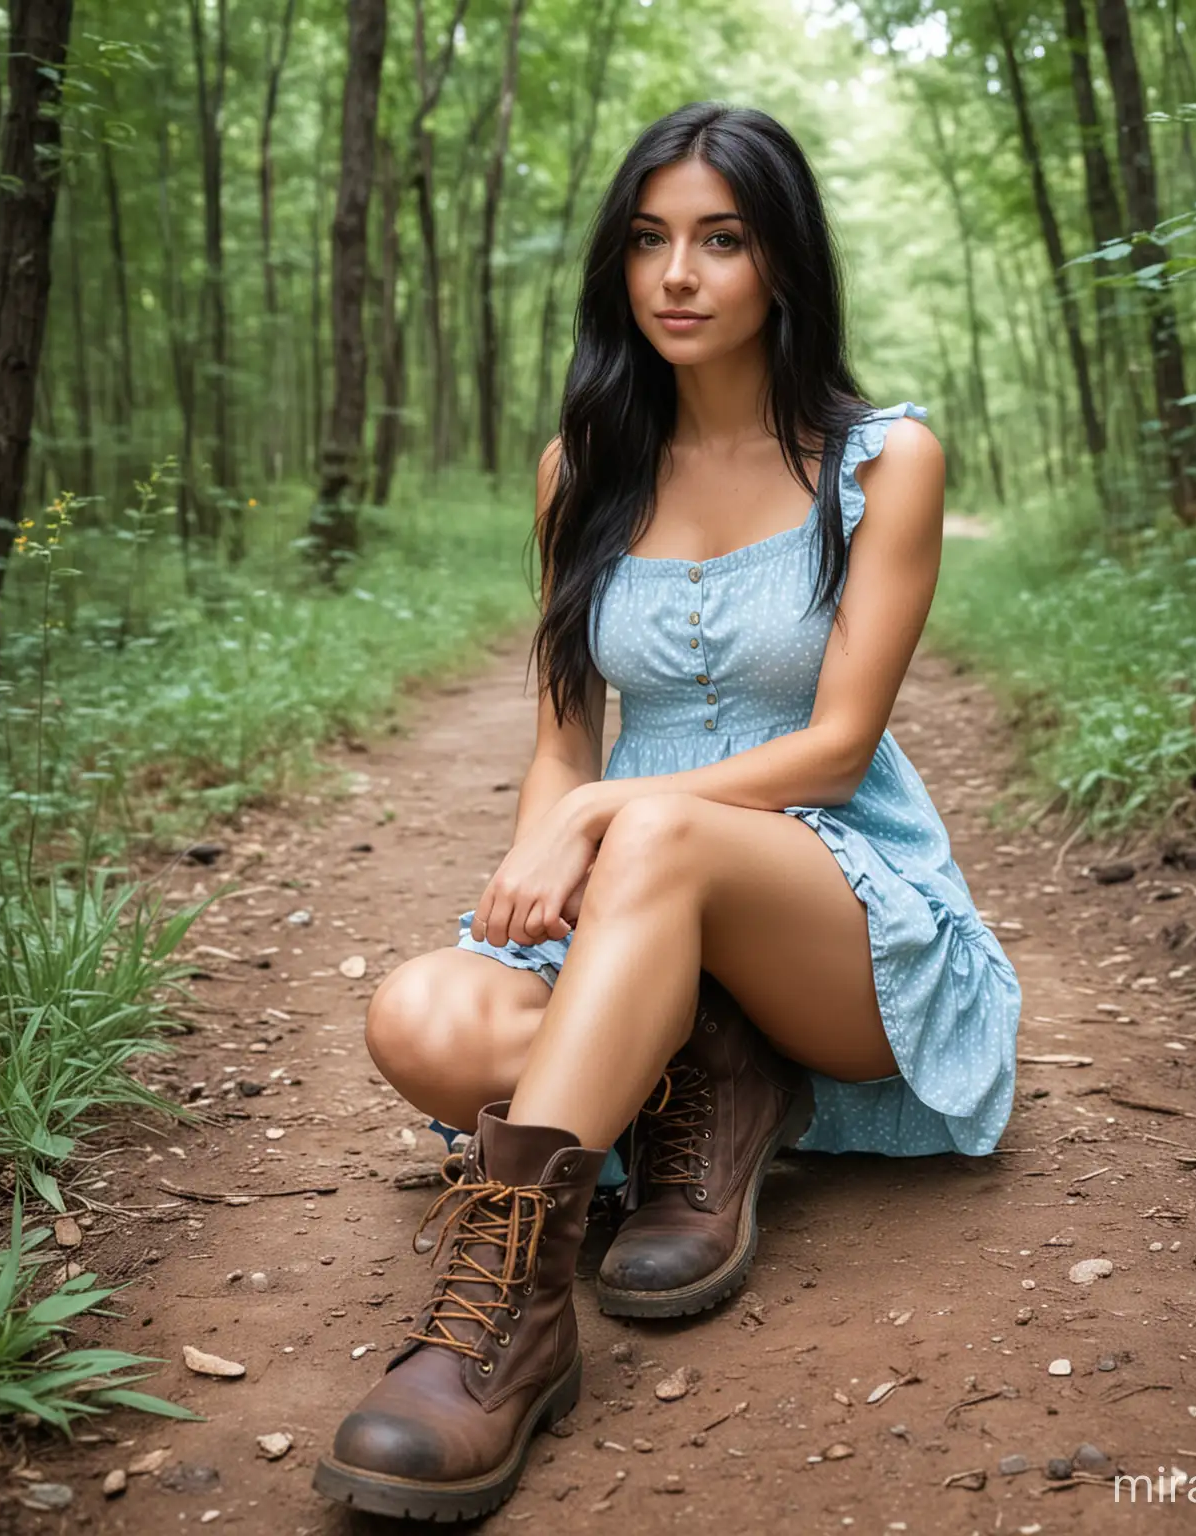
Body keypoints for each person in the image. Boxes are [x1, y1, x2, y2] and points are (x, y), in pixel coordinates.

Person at [312, 100, 1021, 1523]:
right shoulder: (580, 470)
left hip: (839, 912)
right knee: (421, 1017)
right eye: (649, 241)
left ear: (782, 266)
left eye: (721, 240)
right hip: (645, 897)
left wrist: (608, 814)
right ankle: (712, 1073)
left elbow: (834, 747)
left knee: (655, 831)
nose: (678, 276)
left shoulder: (884, 460)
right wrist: (542, 830)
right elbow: (563, 742)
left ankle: (503, 1315)